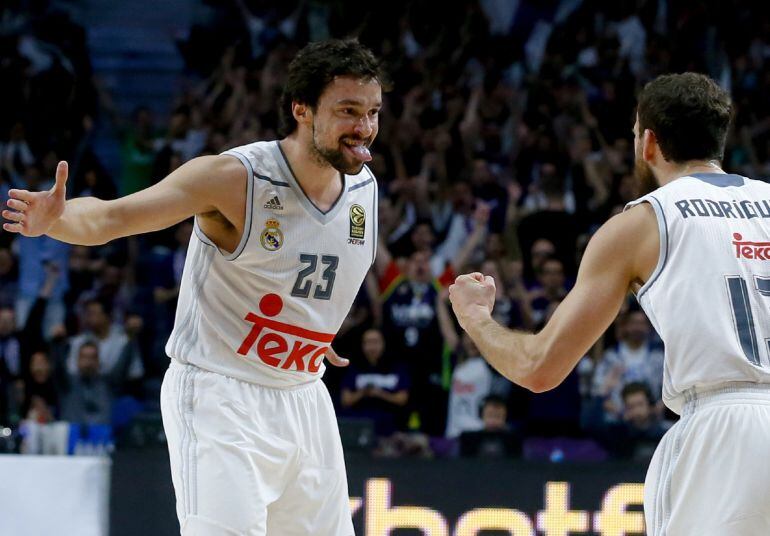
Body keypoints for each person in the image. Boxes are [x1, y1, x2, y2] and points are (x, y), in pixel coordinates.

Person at [3, 38, 385, 535]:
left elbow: (303, 272)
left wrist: (305, 332)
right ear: (302, 110)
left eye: (373, 112)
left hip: (305, 396)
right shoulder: (233, 178)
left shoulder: (363, 190)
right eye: (349, 111)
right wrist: (56, 221)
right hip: (220, 392)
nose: (365, 128)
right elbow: (111, 218)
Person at [449, 72, 770, 535]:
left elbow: (540, 368)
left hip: (722, 432)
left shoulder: (643, 222)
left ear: (649, 143)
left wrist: (476, 319)